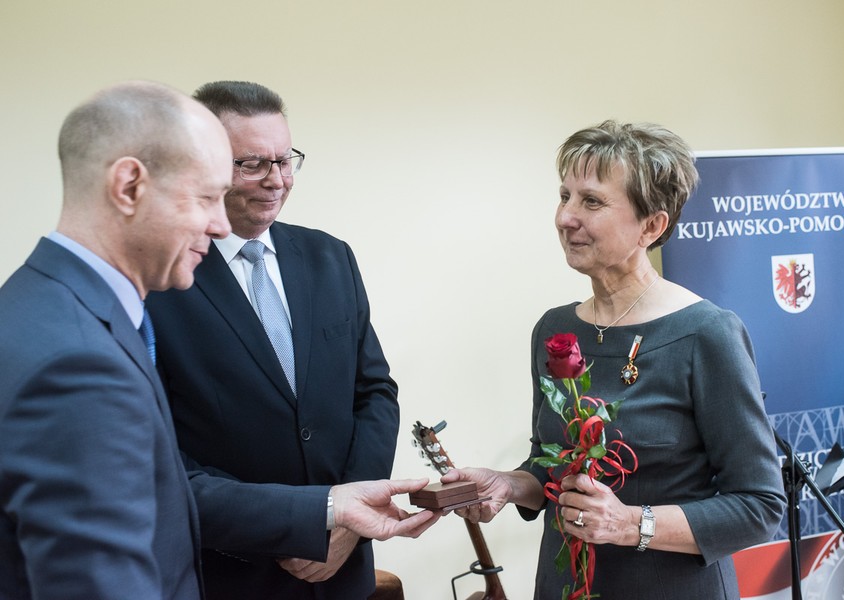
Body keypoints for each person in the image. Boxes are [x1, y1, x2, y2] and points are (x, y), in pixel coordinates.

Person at [0, 80, 438, 600]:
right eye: (206, 196)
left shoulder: (53, 308)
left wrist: (339, 513)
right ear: (128, 187)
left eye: (284, 161)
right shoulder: (73, 354)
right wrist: (314, 513)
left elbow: (371, 392)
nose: (216, 223)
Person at [442, 120, 787, 599]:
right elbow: (553, 467)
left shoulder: (707, 334)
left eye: (592, 201)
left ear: (652, 226)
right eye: (564, 196)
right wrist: (506, 484)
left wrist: (628, 524)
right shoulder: (554, 329)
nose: (566, 217)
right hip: (565, 586)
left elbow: (759, 507)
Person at [145, 80, 402, 599]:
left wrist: (349, 520)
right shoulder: (161, 280)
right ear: (206, 163)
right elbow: (163, 452)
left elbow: (374, 393)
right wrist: (297, 525)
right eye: (253, 164)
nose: (277, 180)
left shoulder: (331, 257)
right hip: (230, 572)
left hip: (343, 570)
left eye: (286, 160)